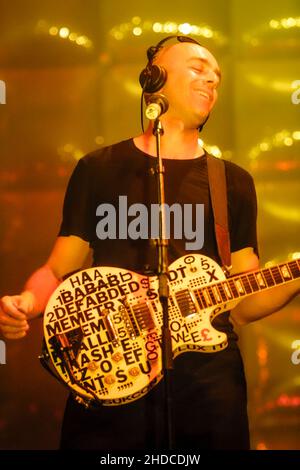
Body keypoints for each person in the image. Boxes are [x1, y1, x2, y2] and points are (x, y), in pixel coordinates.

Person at [0, 35, 299, 451]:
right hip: (111, 372)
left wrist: (296, 277)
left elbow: (243, 304)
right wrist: (28, 304)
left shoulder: (232, 182)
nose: (211, 81)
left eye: (218, 77)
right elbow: (56, 269)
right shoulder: (98, 169)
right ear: (154, 77)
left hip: (207, 385)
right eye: (198, 68)